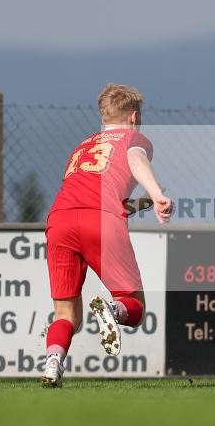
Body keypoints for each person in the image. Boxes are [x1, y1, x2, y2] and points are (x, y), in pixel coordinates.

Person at [41, 84, 173, 388]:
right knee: (134, 307)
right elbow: (137, 160)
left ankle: (52, 362)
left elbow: (92, 194)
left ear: (103, 119)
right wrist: (156, 193)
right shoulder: (134, 138)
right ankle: (112, 309)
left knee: (66, 313)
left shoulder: (82, 146)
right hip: (99, 220)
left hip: (59, 219)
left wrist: (142, 202)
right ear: (135, 116)